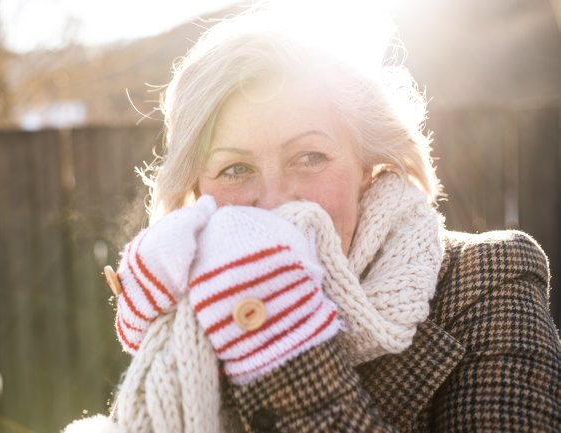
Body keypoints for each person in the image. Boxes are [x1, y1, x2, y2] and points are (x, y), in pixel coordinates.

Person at [65, 2, 561, 432]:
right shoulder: (185, 323)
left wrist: (268, 323)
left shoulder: (490, 279)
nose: (277, 202)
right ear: (197, 190)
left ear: (367, 165)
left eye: (309, 157)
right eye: (236, 169)